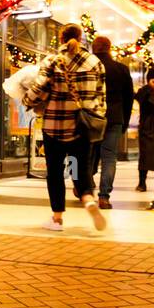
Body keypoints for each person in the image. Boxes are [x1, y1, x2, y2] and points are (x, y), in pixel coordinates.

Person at [22, 23, 107, 232]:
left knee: (55, 172)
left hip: (54, 128)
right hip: (81, 128)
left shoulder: (52, 61)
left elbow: (39, 90)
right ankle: (87, 198)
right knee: (79, 167)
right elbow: (101, 98)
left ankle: (57, 219)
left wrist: (27, 100)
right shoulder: (95, 62)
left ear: (61, 38)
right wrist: (92, 113)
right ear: (81, 37)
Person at [89, 36, 133, 210]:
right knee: (109, 158)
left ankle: (84, 186)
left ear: (93, 48)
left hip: (92, 117)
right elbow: (128, 98)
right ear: (109, 48)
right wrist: (125, 122)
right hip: (114, 118)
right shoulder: (121, 69)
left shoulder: (88, 66)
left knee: (87, 154)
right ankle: (104, 196)